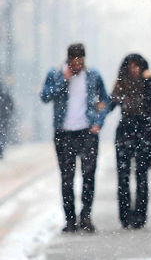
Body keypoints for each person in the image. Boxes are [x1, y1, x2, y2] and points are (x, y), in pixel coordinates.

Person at [40, 43, 109, 233]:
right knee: (67, 178)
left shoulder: (93, 75)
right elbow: (45, 96)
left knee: (88, 176)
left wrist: (99, 122)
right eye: (74, 62)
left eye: (80, 62)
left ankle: (85, 217)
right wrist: (64, 81)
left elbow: (106, 99)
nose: (77, 65)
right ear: (68, 60)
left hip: (87, 132)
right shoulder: (55, 74)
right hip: (64, 133)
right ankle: (70, 220)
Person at [109, 54, 151, 229]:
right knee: (123, 176)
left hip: (143, 130)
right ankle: (125, 216)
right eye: (131, 66)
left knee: (142, 175)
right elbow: (111, 103)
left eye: (137, 66)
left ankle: (140, 216)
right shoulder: (121, 83)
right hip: (125, 131)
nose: (134, 69)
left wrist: (150, 80)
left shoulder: (148, 83)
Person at [0, 83, 14, 159]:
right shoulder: (5, 94)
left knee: (2, 134)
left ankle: (1, 149)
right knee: (3, 134)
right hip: (4, 118)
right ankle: (1, 149)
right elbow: (11, 105)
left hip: (3, 118)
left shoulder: (4, 95)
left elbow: (10, 105)